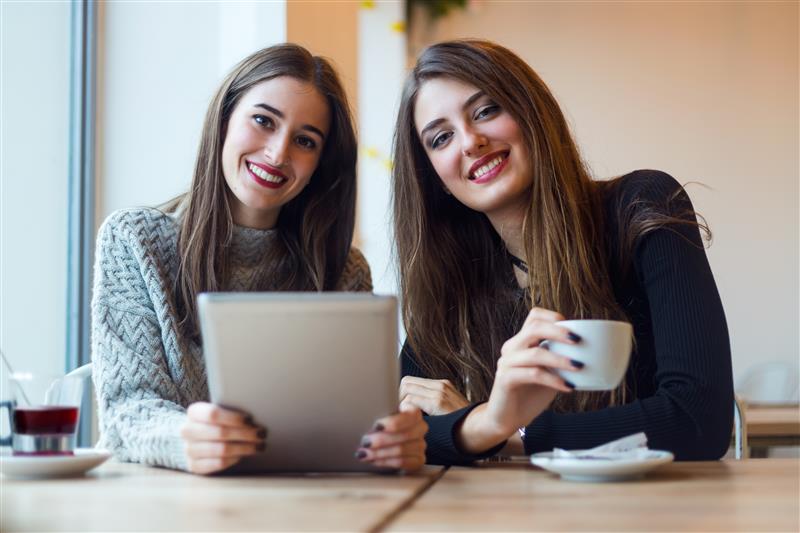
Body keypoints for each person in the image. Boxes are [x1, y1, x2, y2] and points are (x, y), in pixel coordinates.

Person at [391, 39, 733, 465]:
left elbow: (699, 421)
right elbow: (397, 434)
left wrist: (503, 430)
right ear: (434, 177)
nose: (469, 141)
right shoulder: (452, 275)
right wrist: (482, 425)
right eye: (441, 137)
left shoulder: (641, 206)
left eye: (486, 111)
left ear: (532, 113)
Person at [92, 44, 427, 474]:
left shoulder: (343, 271)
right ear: (225, 118)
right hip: (157, 495)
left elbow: (347, 422)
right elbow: (125, 412)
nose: (277, 153)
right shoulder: (134, 239)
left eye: (305, 141)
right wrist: (185, 440)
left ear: (320, 164)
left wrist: (389, 441)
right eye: (263, 121)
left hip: (298, 499)